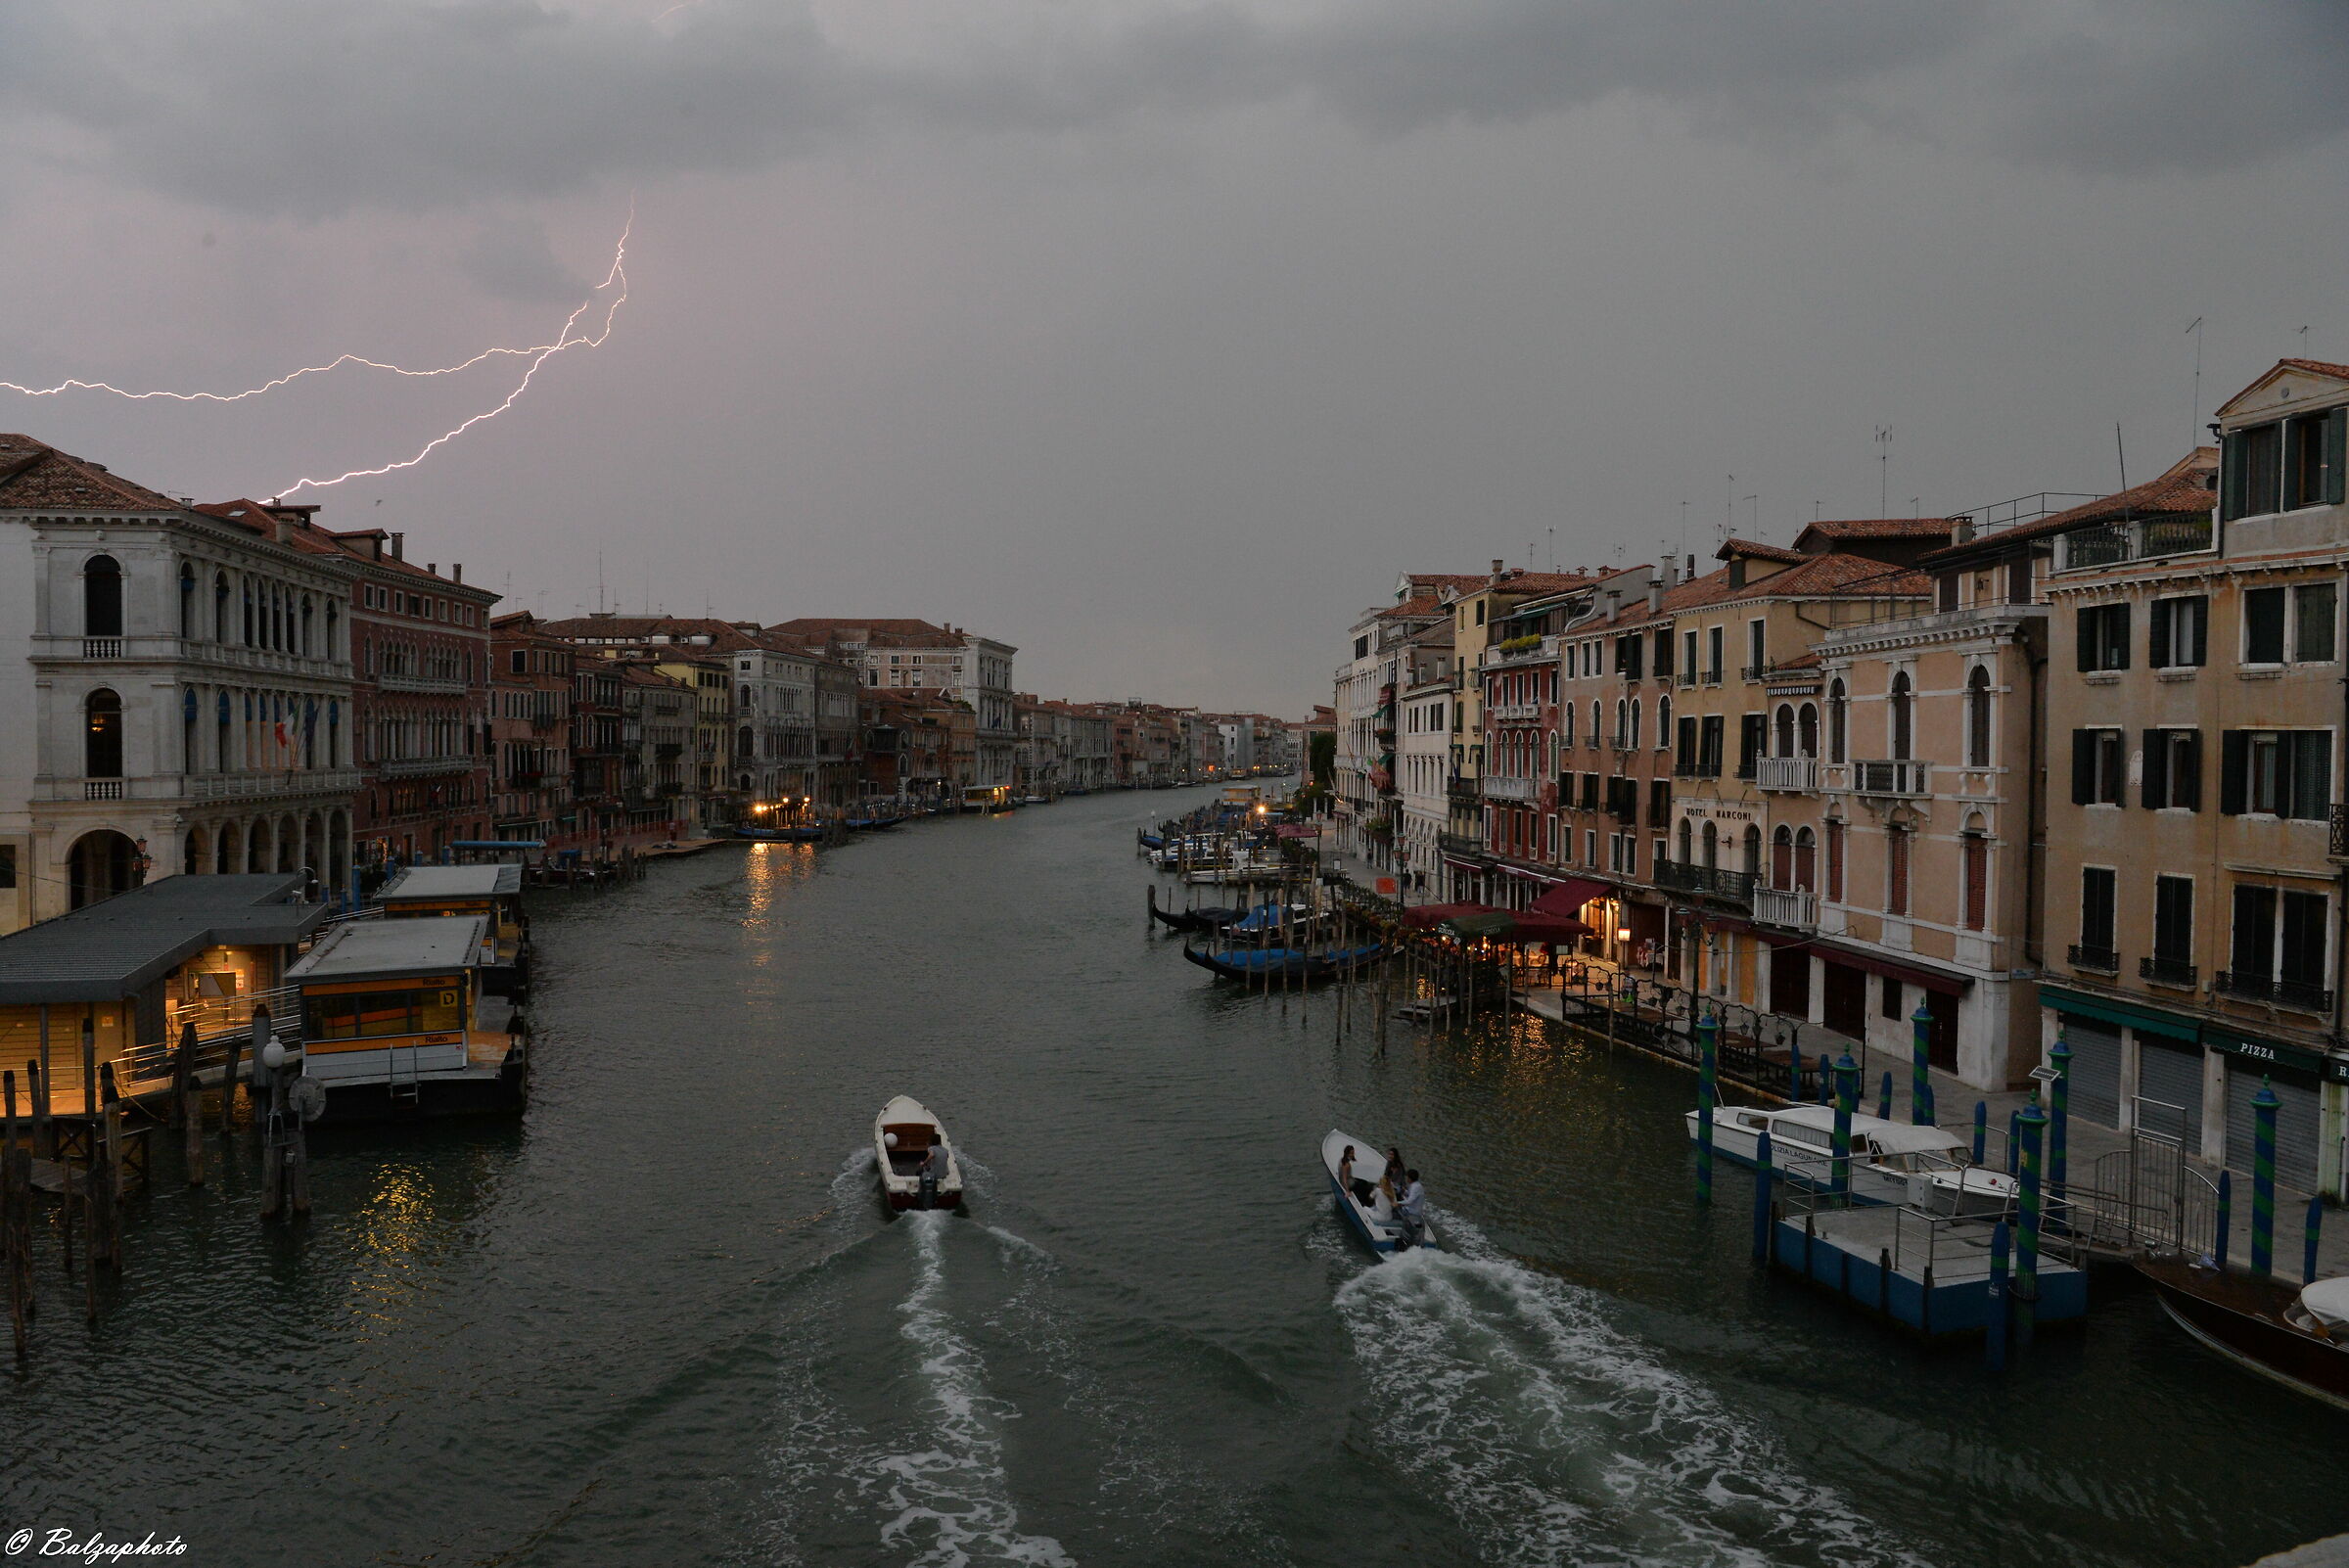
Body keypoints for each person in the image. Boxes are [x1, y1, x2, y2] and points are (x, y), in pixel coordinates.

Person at [1397, 1169, 1427, 1249]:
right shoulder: (1417, 1185)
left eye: (1407, 1177)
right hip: (1417, 1213)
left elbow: (1409, 1201)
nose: (1406, 1179)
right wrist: (1405, 1191)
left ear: (1410, 1178)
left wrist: (1397, 1203)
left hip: (1411, 1213)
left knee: (1395, 1211)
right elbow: (1412, 1195)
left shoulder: (1414, 1187)